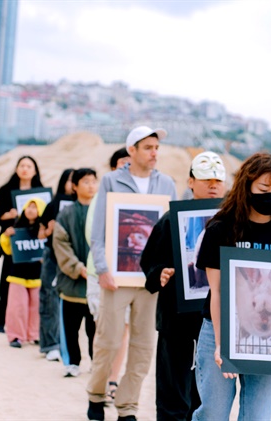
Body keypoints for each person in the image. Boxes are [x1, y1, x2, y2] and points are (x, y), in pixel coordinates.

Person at [191, 152, 271, 421]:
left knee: (258, 416)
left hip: (270, 338)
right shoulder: (220, 229)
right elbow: (217, 291)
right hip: (218, 330)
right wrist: (222, 344)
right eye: (264, 189)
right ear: (247, 186)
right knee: (213, 413)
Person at [87, 126, 177, 421]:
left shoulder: (166, 185)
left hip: (151, 280)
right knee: (108, 342)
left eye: (156, 147)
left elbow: (171, 233)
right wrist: (102, 270)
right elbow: (99, 232)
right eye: (148, 147)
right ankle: (96, 395)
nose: (154, 153)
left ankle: (127, 406)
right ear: (132, 151)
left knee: (143, 347)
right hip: (116, 277)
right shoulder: (111, 181)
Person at [141, 151, 227, 421]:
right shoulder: (171, 220)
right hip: (175, 314)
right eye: (205, 179)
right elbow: (149, 262)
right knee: (172, 381)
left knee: (205, 384)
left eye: (217, 180)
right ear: (190, 182)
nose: (213, 185)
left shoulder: (232, 223)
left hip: (212, 317)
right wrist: (160, 274)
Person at [85, 147, 131, 404]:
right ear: (113, 168)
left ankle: (113, 379)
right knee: (105, 330)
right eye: (122, 165)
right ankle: (99, 380)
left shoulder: (140, 199)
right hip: (99, 273)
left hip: (128, 277)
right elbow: (92, 235)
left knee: (123, 330)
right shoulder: (101, 196)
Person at [53, 168, 98, 378]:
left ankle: (96, 362)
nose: (90, 185)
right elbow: (61, 244)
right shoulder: (66, 213)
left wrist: (95, 269)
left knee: (95, 330)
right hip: (71, 283)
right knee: (70, 328)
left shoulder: (101, 212)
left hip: (96, 282)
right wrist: (78, 268)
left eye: (93, 181)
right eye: (86, 181)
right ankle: (72, 362)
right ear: (75, 186)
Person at [0, 156, 43, 333]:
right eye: (22, 165)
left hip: (34, 243)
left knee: (33, 285)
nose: (25, 169)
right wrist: (8, 215)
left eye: (29, 165)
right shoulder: (6, 191)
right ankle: (1, 320)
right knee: (7, 281)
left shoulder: (40, 192)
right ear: (16, 169)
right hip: (12, 243)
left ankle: (29, 325)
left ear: (35, 170)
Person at [37, 168, 75, 362]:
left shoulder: (82, 205)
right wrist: (49, 229)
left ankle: (65, 345)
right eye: (69, 180)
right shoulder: (53, 204)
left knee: (69, 304)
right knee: (49, 299)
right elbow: (40, 233)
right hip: (52, 256)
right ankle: (50, 344)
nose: (72, 184)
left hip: (74, 258)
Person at [0, 197, 47, 348]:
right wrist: (6, 236)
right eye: (28, 207)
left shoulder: (43, 231)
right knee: (17, 306)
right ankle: (16, 336)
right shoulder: (16, 228)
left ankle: (34, 335)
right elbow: (8, 250)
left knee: (36, 307)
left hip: (37, 275)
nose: (31, 210)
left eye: (35, 207)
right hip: (17, 274)